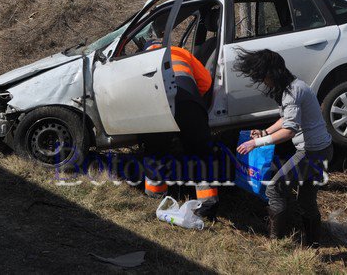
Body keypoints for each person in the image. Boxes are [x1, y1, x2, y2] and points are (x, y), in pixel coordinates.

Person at [234, 49, 333, 247]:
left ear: (272, 73)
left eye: (263, 77)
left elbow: (288, 131)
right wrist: (264, 132)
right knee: (306, 201)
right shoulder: (295, 86)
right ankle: (312, 244)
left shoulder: (292, 92)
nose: (264, 82)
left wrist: (256, 142)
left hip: (311, 152)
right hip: (322, 149)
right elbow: (286, 119)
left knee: (274, 189)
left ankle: (277, 241)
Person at [143, 41, 219, 220]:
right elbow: (206, 82)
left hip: (158, 105)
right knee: (201, 153)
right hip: (189, 102)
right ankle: (207, 205)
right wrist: (194, 99)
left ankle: (155, 197)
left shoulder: (141, 58)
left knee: (156, 151)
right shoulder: (180, 51)